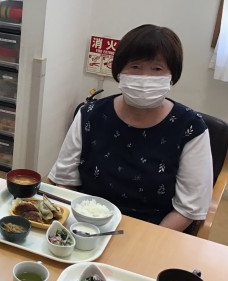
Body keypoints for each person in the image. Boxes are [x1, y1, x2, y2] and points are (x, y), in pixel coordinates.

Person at [48, 24, 213, 233]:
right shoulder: (90, 114)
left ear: (172, 75)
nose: (145, 78)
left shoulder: (190, 128)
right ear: (119, 70)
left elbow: (188, 209)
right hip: (87, 224)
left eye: (157, 69)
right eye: (135, 67)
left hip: (153, 230)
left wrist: (146, 241)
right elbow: (64, 180)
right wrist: (79, 228)